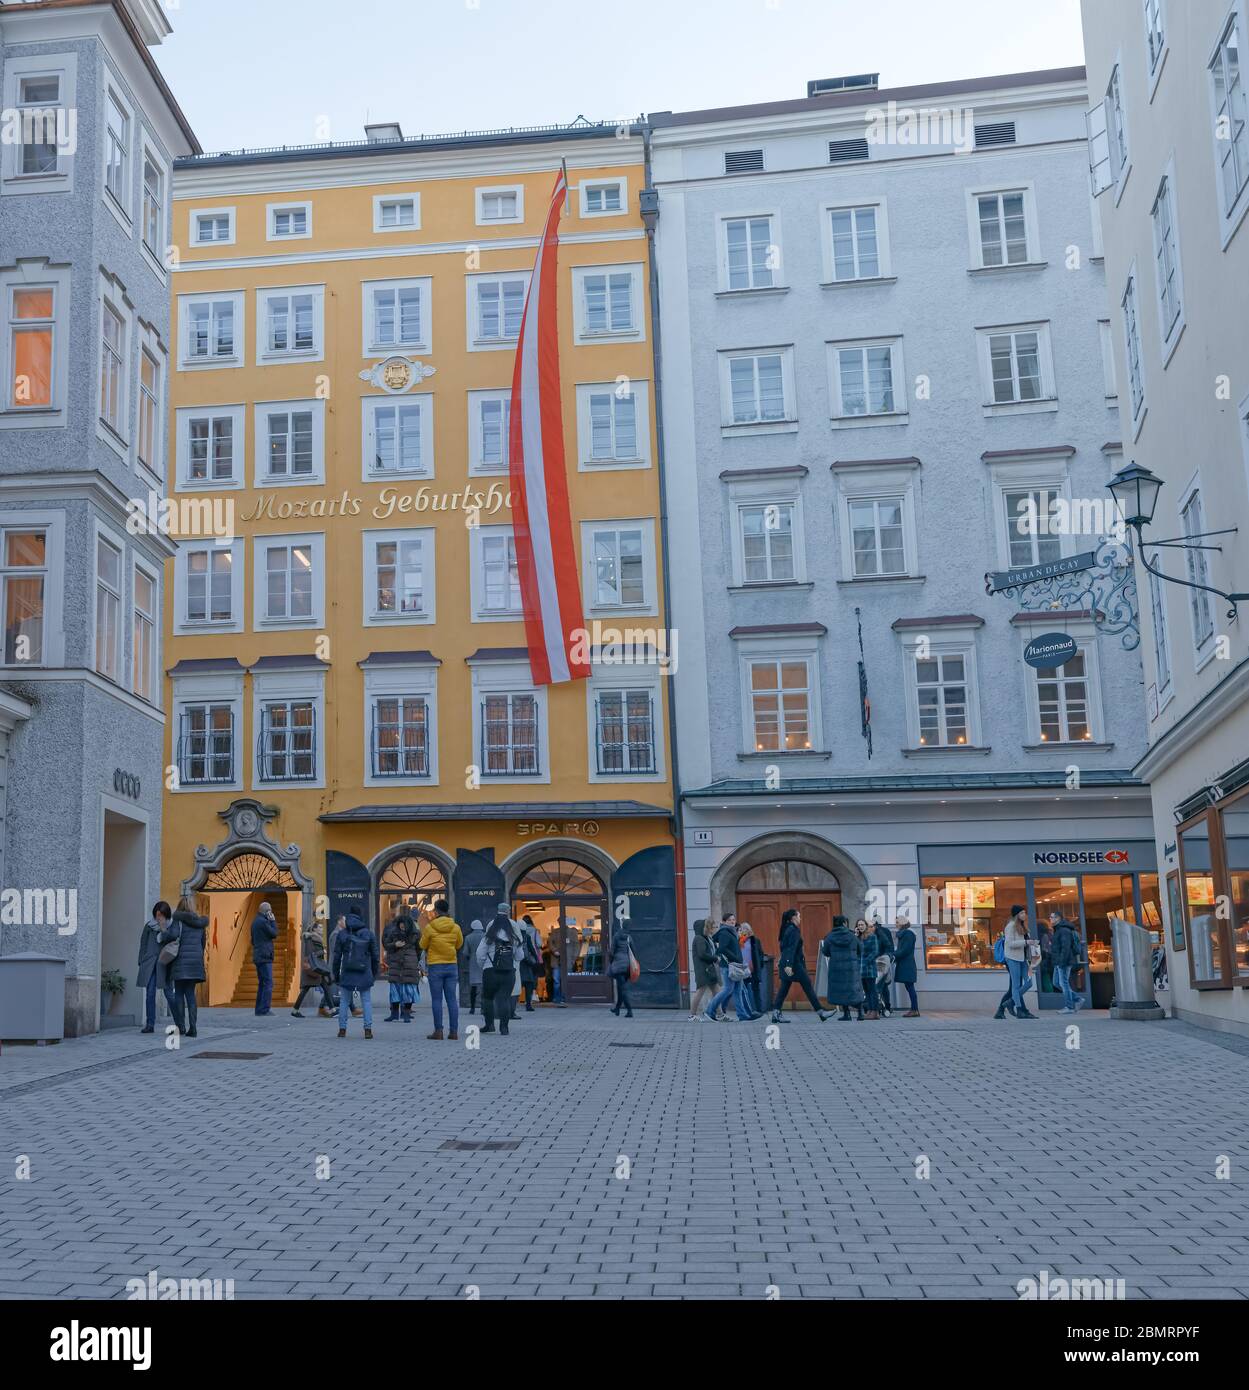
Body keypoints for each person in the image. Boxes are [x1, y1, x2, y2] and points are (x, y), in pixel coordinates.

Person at [159, 897, 209, 1037]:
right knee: (191, 995)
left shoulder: (178, 920)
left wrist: (163, 930)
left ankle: (180, 1027)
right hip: (195, 964)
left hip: (180, 962)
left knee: (179, 994)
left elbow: (172, 936)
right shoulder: (201, 923)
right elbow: (203, 944)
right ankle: (193, 1028)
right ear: (193, 907)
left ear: (179, 906)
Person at [772, 907, 832, 1022]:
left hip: (788, 963)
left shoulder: (786, 929)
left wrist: (784, 962)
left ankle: (776, 1013)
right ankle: (821, 1012)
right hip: (794, 964)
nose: (800, 918)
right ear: (794, 917)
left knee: (784, 988)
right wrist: (789, 964)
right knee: (807, 985)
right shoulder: (793, 930)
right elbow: (791, 948)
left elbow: (784, 948)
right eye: (799, 916)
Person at [421, 898, 463, 1040]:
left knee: (437, 1000)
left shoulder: (430, 927)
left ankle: (438, 1031)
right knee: (452, 1000)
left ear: (436, 911)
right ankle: (454, 1032)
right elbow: (459, 944)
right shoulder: (456, 927)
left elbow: (422, 944)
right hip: (451, 965)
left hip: (435, 966)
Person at [332, 909, 378, 1038]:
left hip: (347, 971)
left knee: (344, 1001)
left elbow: (336, 957)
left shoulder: (342, 934)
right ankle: (368, 1030)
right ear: (361, 916)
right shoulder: (368, 934)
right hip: (364, 971)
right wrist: (374, 974)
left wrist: (336, 975)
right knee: (366, 1001)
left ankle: (342, 1029)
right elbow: (375, 956)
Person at [477, 906, 522, 1035]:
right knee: (504, 999)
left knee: (488, 998)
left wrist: (484, 966)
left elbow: (480, 953)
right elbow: (520, 956)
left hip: (490, 971)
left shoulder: (489, 936)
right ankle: (504, 1027)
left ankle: (489, 1025)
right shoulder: (513, 937)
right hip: (508, 971)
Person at [137, 901, 175, 1033]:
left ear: (166, 915)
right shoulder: (149, 926)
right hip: (150, 965)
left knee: (169, 994)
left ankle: (179, 1023)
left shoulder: (171, 926)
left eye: (161, 915)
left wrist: (164, 929)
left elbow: (172, 943)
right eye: (157, 915)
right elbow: (143, 944)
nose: (159, 918)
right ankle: (150, 1024)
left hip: (164, 964)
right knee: (150, 994)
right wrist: (141, 961)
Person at [995, 905, 1038, 1020]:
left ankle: (1010, 1003)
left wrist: (1031, 944)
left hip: (1023, 959)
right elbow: (1009, 944)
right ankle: (1020, 1009)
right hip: (1012, 959)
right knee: (1015, 986)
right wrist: (1026, 942)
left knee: (1029, 983)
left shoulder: (1023, 926)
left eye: (1025, 912)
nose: (1025, 914)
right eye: (1022, 913)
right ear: (1016, 915)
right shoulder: (1010, 927)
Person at [821, 914, 864, 1020]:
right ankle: (860, 1013)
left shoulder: (830, 937)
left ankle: (847, 1014)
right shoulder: (852, 936)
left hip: (836, 968)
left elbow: (825, 952)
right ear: (844, 923)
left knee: (842, 990)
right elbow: (860, 949)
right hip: (852, 968)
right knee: (854, 990)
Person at [381, 910, 421, 1023]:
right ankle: (394, 1014)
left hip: (409, 964)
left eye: (404, 924)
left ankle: (406, 1014)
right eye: (400, 924)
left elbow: (419, 949)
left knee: (408, 991)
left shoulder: (415, 934)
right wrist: (395, 945)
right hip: (396, 965)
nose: (402, 926)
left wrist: (415, 960)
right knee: (395, 991)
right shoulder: (393, 933)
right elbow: (386, 945)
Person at [292, 920, 337, 1018]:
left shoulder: (315, 938)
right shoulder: (310, 938)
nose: (322, 929)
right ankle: (295, 1010)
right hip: (312, 969)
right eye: (320, 927)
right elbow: (310, 954)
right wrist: (322, 951)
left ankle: (333, 1009)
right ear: (314, 929)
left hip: (316, 969)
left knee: (325, 987)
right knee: (306, 990)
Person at [705, 912, 745, 1021]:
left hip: (735, 965)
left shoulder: (732, 932)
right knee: (728, 989)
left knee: (737, 990)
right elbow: (722, 948)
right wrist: (735, 957)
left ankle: (743, 1015)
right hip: (728, 965)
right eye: (729, 920)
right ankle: (709, 1010)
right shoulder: (725, 932)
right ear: (723, 922)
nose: (732, 921)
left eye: (733, 919)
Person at [1048, 909, 1083, 1014]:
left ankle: (1069, 1007)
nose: (1050, 919)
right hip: (1059, 961)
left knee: (1064, 983)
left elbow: (1065, 948)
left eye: (1052, 917)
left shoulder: (1063, 930)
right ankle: (1077, 999)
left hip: (1064, 961)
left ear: (1058, 918)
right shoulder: (1058, 929)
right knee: (1056, 983)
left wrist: (1062, 962)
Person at [250, 901, 278, 1016]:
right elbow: (274, 933)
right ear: (267, 911)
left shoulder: (254, 922)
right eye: (270, 910)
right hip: (265, 956)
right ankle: (265, 1009)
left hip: (258, 955)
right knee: (268, 983)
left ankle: (259, 1009)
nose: (271, 912)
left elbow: (252, 940)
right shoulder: (263, 922)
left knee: (262, 983)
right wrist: (273, 921)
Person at [689, 918, 719, 1020]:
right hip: (703, 970)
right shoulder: (699, 939)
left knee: (716, 992)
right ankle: (692, 1015)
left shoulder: (705, 938)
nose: (711, 929)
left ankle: (720, 1014)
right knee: (700, 991)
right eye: (708, 927)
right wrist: (715, 958)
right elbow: (702, 954)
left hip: (708, 969)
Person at [893, 916, 920, 1017]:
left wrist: (893, 954)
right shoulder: (905, 933)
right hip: (906, 963)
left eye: (897, 922)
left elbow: (905, 950)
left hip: (907, 964)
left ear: (902, 923)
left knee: (910, 987)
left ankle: (914, 1009)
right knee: (909, 987)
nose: (896, 924)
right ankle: (914, 1009)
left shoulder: (908, 934)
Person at [607, 925, 635, 1017]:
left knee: (623, 989)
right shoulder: (629, 937)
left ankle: (629, 1010)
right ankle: (617, 1009)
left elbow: (611, 952)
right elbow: (633, 951)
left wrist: (612, 961)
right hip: (627, 966)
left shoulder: (616, 936)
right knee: (620, 988)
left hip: (618, 966)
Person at [856, 919, 881, 1020]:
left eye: (862, 925)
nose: (860, 926)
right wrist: (855, 935)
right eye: (859, 925)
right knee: (866, 991)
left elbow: (875, 952)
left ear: (866, 926)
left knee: (872, 990)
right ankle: (870, 1011)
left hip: (869, 968)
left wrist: (866, 961)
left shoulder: (872, 937)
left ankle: (875, 1011)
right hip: (861, 969)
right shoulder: (858, 938)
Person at [739, 922, 764, 1017]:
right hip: (742, 970)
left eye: (745, 929)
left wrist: (759, 965)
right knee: (743, 990)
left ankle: (759, 1009)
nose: (743, 931)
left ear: (749, 931)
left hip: (753, 969)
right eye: (741, 929)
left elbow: (760, 954)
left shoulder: (755, 940)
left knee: (755, 989)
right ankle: (746, 1010)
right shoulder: (739, 941)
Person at [518, 913, 542, 1012]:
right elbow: (533, 948)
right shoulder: (528, 935)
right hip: (527, 963)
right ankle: (528, 1004)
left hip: (518, 962)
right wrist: (535, 959)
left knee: (518, 984)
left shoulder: (513, 936)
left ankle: (514, 1004)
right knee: (529, 983)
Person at [462, 918, 485, 1014]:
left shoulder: (468, 937)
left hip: (473, 962)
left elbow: (465, 952)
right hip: (483, 963)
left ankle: (472, 1008)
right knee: (484, 986)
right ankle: (483, 1007)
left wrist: (469, 957)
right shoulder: (485, 936)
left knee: (473, 987)